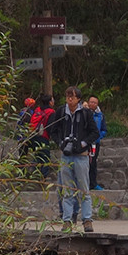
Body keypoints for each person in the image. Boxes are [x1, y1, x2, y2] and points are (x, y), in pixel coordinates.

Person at [50, 86, 100, 232]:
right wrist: (60, 143)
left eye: (72, 96)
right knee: (67, 190)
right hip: (66, 156)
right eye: (67, 96)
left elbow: (94, 132)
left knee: (84, 189)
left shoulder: (85, 113)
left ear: (78, 98)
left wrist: (83, 143)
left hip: (81, 156)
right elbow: (52, 130)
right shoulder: (60, 112)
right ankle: (67, 220)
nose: (69, 99)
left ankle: (87, 220)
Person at [28, 94, 55, 182]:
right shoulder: (51, 112)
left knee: (37, 154)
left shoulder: (37, 110)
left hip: (33, 135)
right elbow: (50, 126)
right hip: (43, 136)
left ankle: (35, 174)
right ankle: (44, 176)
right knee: (45, 156)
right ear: (50, 102)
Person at [87, 95, 108, 190]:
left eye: (94, 102)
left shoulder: (100, 115)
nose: (92, 104)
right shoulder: (84, 113)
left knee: (93, 163)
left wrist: (99, 136)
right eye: (91, 102)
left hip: (95, 143)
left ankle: (93, 183)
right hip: (86, 142)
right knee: (85, 163)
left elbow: (104, 129)